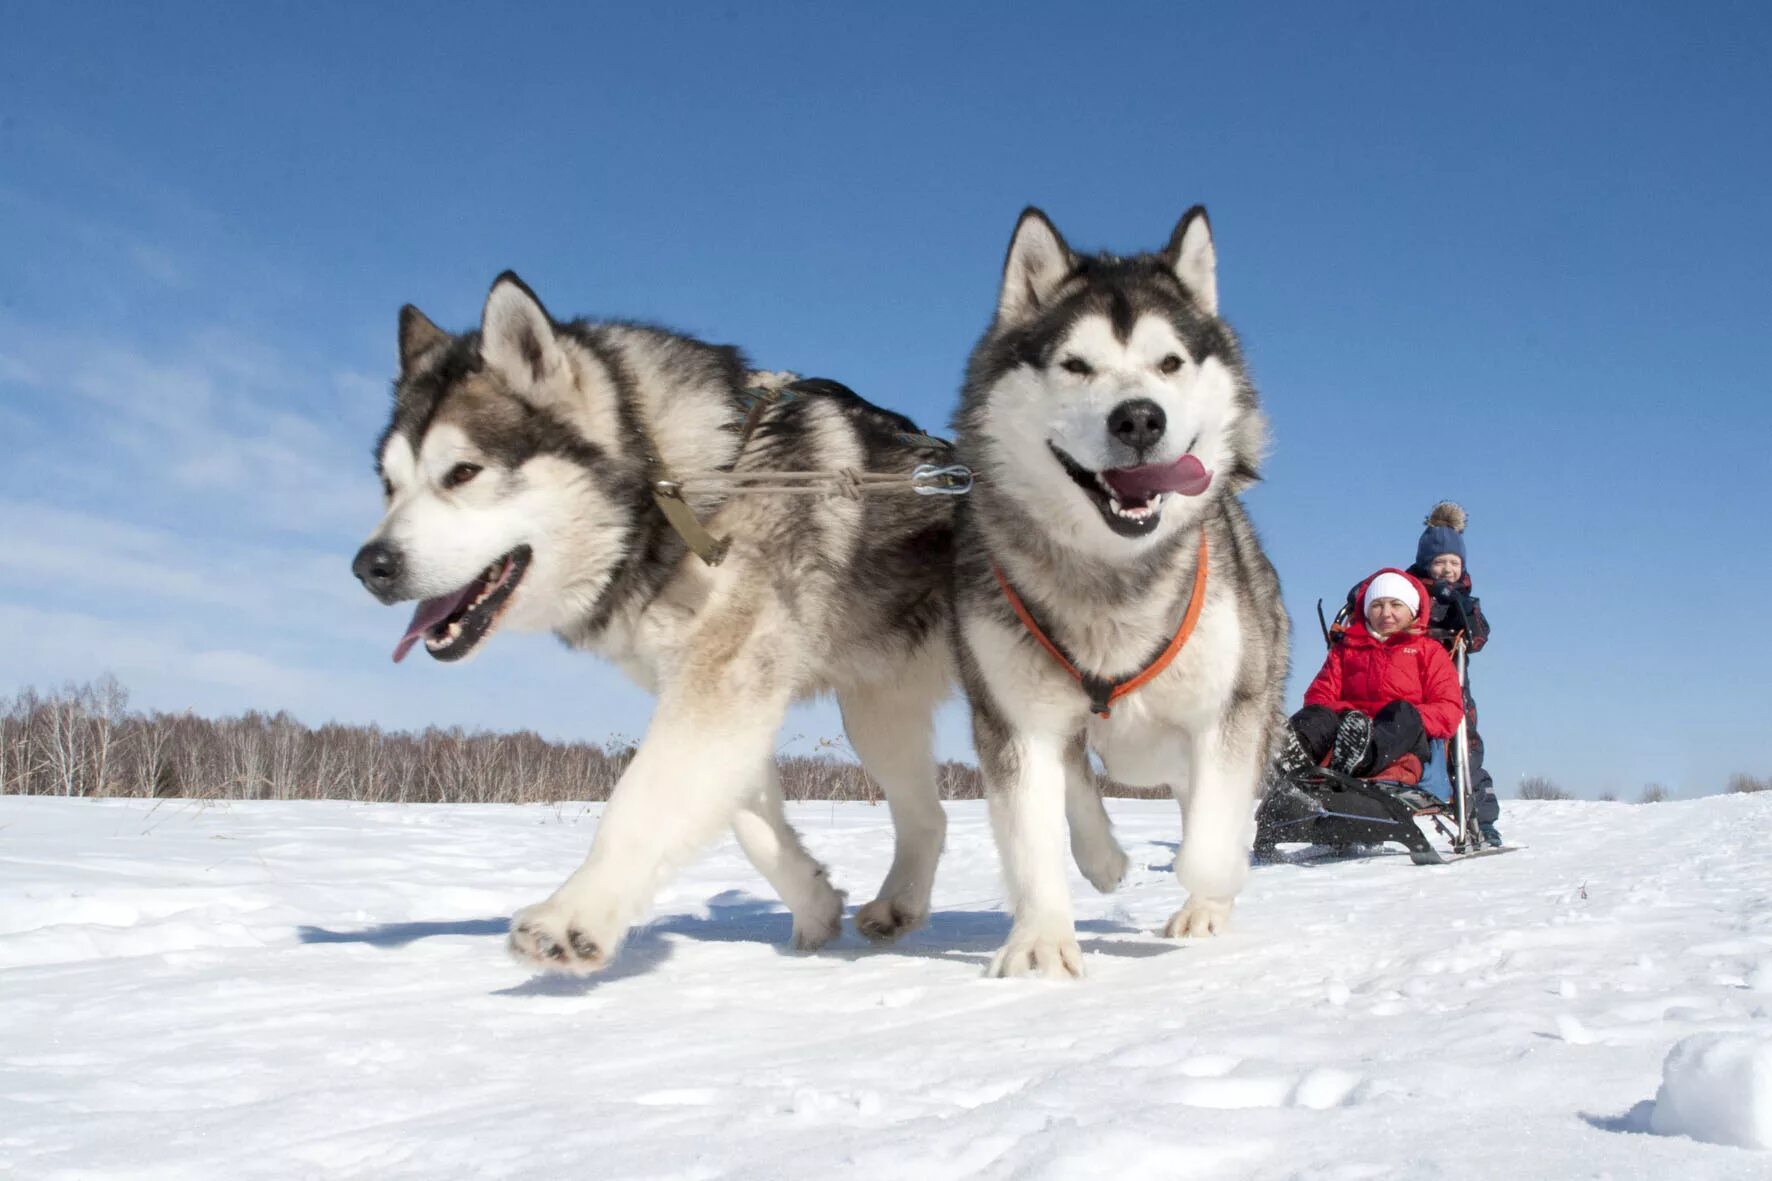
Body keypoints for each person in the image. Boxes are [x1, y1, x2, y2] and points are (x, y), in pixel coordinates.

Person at [1274, 568, 1465, 785]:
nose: (1385, 613)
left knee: (1404, 713)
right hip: (1346, 730)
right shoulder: (1346, 649)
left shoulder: (1428, 650)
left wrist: (1406, 721)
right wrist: (1349, 717)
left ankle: (1362, 756)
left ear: (1412, 610)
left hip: (1399, 739)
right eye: (1376, 605)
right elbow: (1318, 695)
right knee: (1318, 714)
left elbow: (1448, 708)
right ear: (1365, 611)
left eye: (1395, 605)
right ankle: (1291, 753)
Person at [1407, 501, 1502, 846]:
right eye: (1440, 562)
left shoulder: (1466, 599)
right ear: (1425, 563)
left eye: (1454, 563)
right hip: (1410, 683)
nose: (1447, 570)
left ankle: (1483, 820)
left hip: (1453, 687)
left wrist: (1460, 606)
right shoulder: (1407, 594)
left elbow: (1478, 638)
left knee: (1466, 750)